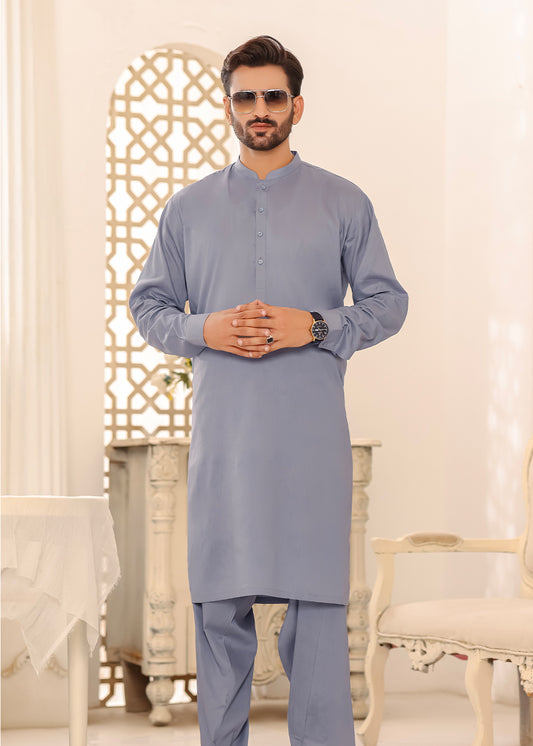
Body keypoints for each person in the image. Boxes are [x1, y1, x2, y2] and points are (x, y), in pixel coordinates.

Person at [130, 34, 408, 746]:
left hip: (309, 439)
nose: (260, 108)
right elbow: (148, 307)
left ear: (296, 106)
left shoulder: (343, 201)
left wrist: (312, 325)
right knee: (219, 608)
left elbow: (387, 304)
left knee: (316, 611)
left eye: (273, 96)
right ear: (228, 106)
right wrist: (207, 328)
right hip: (225, 440)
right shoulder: (187, 209)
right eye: (246, 96)